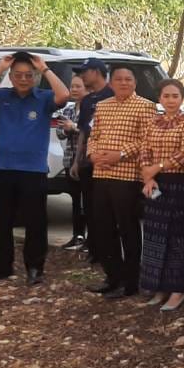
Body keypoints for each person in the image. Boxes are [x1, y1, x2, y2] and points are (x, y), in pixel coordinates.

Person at [0, 51, 69, 285]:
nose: (24, 79)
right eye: (18, 75)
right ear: (11, 77)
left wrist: (44, 68)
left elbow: (64, 94)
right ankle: (3, 267)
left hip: (33, 170)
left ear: (35, 77)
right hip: (4, 168)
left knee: (35, 221)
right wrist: (0, 67)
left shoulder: (43, 97)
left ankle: (35, 267)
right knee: (3, 221)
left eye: (28, 75)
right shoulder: (2, 96)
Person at [85, 66, 157, 299]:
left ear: (135, 83)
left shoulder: (145, 106)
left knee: (128, 229)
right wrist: (93, 154)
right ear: (111, 83)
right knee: (103, 229)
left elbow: (147, 140)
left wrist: (121, 154)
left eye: (128, 79)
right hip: (101, 174)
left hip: (127, 176)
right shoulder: (103, 106)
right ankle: (112, 276)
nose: (124, 83)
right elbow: (93, 136)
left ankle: (131, 281)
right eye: (119, 79)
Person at [139, 78, 184, 312]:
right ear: (160, 98)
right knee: (154, 236)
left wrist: (158, 167)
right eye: (166, 96)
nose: (171, 100)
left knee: (175, 237)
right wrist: (149, 176)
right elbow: (145, 150)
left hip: (177, 183)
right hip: (154, 183)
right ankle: (158, 287)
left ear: (182, 98)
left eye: (175, 96)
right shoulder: (153, 122)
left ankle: (177, 290)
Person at [71, 57, 112, 259]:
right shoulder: (86, 100)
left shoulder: (113, 95)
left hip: (108, 162)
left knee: (106, 209)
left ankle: (108, 251)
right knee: (89, 207)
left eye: (84, 72)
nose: (82, 76)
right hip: (88, 161)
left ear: (96, 72)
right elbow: (82, 132)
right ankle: (93, 249)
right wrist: (77, 160)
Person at [56, 74, 88, 251]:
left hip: (87, 162)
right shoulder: (67, 110)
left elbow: (91, 132)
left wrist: (74, 127)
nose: (74, 90)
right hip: (69, 160)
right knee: (75, 201)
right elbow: (60, 133)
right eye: (72, 86)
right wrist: (67, 129)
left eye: (78, 86)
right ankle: (77, 235)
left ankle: (91, 239)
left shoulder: (93, 109)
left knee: (89, 202)